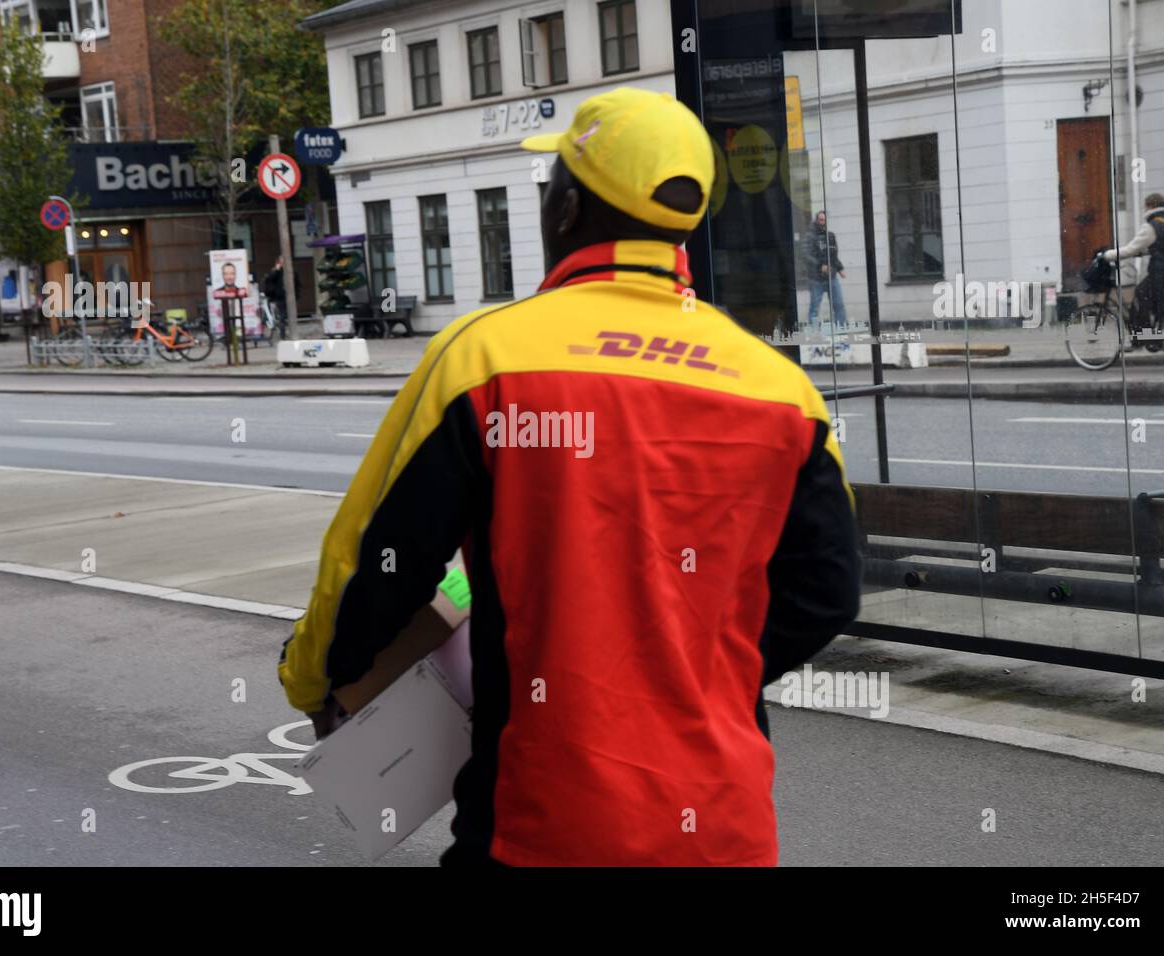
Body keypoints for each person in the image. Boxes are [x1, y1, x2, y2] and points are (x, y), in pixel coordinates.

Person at [277, 88, 860, 867]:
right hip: (724, 828)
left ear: (567, 212)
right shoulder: (779, 387)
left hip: (539, 822)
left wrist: (315, 677)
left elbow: (376, 562)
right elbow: (827, 589)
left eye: (552, 183)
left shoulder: (486, 360)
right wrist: (695, 669)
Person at [1104, 192, 1164, 330]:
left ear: (1150, 206)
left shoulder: (1151, 226)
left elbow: (1130, 249)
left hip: (1163, 272)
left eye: (1145, 207)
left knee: (1141, 295)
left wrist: (1107, 255)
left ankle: (1144, 337)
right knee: (1154, 298)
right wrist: (1144, 252)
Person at [802, 209, 848, 331]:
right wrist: (819, 265)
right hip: (816, 279)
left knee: (838, 304)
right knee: (815, 307)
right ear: (816, 220)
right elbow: (806, 255)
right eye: (821, 219)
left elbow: (833, 255)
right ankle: (813, 331)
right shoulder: (810, 237)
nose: (823, 222)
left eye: (824, 220)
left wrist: (840, 268)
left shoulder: (830, 235)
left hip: (831, 277)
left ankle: (841, 329)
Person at [261, 255, 299, 324]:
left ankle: (286, 328)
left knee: (289, 314)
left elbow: (297, 283)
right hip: (279, 296)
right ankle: (282, 332)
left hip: (290, 296)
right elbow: (269, 279)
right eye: (281, 262)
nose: (283, 264)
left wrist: (297, 296)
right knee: (282, 315)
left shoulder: (292, 271)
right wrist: (276, 270)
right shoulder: (276, 271)